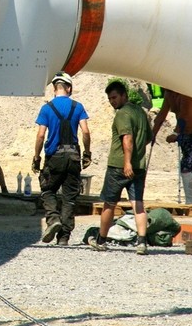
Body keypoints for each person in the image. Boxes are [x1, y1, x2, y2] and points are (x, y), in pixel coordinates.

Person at [88, 79, 151, 254]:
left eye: (115, 97)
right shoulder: (140, 112)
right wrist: (136, 157)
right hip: (139, 166)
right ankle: (141, 242)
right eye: (110, 99)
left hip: (119, 166)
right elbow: (147, 138)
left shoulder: (123, 114)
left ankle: (101, 240)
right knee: (138, 203)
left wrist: (127, 162)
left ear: (124, 95)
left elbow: (127, 138)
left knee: (109, 204)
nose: (112, 101)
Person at [33, 71, 91, 245]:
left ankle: (53, 220)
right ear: (69, 88)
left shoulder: (46, 108)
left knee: (48, 189)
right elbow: (86, 132)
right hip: (73, 156)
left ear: (54, 88)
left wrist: (36, 157)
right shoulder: (78, 107)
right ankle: (63, 238)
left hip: (54, 157)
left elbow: (41, 135)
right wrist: (87, 153)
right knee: (69, 197)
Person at [150, 88, 192, 213]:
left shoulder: (185, 92)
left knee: (187, 167)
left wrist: (176, 133)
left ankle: (191, 202)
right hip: (185, 134)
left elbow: (184, 114)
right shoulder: (169, 94)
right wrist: (152, 134)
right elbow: (162, 114)